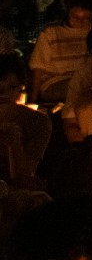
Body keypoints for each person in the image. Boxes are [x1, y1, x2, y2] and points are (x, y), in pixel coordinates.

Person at [27, 0, 92, 103]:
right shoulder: (50, 33)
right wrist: (33, 99)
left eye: (86, 18)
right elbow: (38, 68)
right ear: (68, 13)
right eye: (75, 17)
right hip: (55, 83)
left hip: (85, 80)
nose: (80, 21)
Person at [0, 53, 53, 192]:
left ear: (21, 88)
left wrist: (15, 144)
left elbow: (23, 179)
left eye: (12, 87)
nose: (3, 94)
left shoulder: (37, 122)